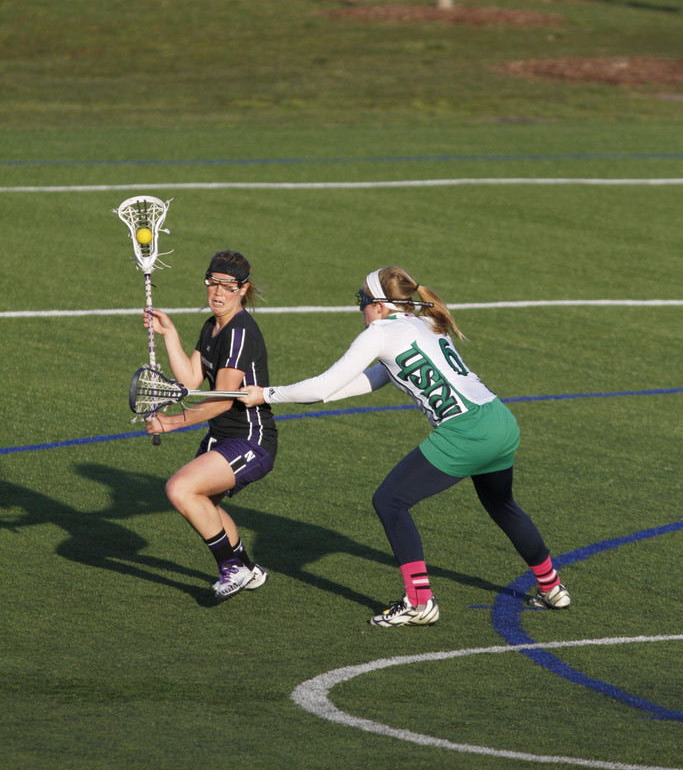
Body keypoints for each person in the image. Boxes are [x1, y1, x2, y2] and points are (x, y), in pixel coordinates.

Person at [239, 266, 570, 627]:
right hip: (499, 420)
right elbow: (374, 377)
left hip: (467, 431)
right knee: (501, 503)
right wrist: (319, 396)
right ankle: (552, 587)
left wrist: (267, 394)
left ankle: (419, 602)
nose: (360, 309)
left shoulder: (380, 333)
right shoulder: (421, 321)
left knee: (390, 501)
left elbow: (322, 386)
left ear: (379, 305)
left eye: (362, 301)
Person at [144, 249, 277, 601]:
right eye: (213, 283)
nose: (218, 293)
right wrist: (169, 333)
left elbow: (221, 400)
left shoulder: (240, 332)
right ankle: (248, 569)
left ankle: (231, 568)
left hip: (251, 441)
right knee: (205, 505)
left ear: (243, 289)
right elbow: (190, 378)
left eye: (228, 287)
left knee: (181, 490)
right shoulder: (212, 327)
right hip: (222, 439)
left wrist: (171, 423)